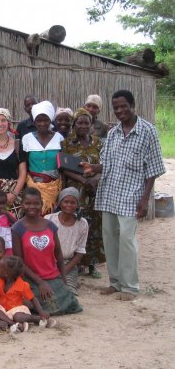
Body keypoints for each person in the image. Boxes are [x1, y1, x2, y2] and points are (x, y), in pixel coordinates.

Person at [82, 90, 166, 301]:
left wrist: (145, 199)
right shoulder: (113, 133)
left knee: (127, 240)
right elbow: (107, 164)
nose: (120, 111)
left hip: (132, 195)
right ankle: (115, 282)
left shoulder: (147, 131)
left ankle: (129, 287)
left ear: (132, 105)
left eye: (123, 106)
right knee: (110, 239)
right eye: (116, 108)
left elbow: (153, 169)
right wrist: (93, 168)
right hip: (109, 192)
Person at [12, 188, 82, 315]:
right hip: (31, 278)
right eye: (28, 203)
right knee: (46, 308)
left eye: (36, 203)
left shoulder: (50, 226)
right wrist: (40, 282)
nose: (32, 207)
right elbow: (19, 262)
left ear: (41, 204)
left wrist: (63, 279)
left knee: (72, 306)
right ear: (22, 204)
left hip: (53, 276)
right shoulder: (17, 228)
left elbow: (58, 254)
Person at [61, 108, 104, 277]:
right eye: (80, 123)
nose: (83, 126)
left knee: (94, 226)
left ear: (91, 124)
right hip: (77, 191)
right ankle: (77, 264)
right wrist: (84, 181)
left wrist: (95, 179)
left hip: (96, 190)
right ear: (74, 125)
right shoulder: (67, 143)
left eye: (87, 123)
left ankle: (92, 264)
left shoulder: (97, 143)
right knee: (77, 225)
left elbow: (106, 164)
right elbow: (64, 167)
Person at [0, 256, 56, 333]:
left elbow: (33, 299)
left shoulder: (23, 285)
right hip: (2, 310)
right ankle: (14, 324)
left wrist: (41, 311)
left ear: (6, 273)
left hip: (17, 310)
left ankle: (37, 319)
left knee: (18, 316)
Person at [22, 101, 63, 215]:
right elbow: (24, 163)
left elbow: (62, 166)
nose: (42, 123)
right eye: (39, 120)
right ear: (34, 122)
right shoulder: (27, 139)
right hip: (33, 186)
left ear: (50, 120)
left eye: (46, 120)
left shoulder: (59, 138)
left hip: (54, 187)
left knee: (51, 215)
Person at [45, 188, 89, 295]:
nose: (69, 205)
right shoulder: (49, 219)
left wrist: (63, 270)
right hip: (48, 262)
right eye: (66, 202)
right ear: (60, 203)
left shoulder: (82, 223)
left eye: (73, 202)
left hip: (68, 264)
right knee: (46, 289)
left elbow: (80, 251)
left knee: (68, 292)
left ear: (77, 205)